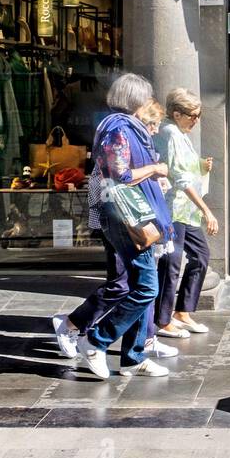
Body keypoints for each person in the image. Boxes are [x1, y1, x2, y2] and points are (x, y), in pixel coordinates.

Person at [49, 72, 174, 379]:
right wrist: (156, 168)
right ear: (134, 99)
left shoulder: (124, 128)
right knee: (146, 288)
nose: (147, 102)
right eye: (145, 96)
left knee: (137, 285)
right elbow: (122, 175)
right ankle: (96, 340)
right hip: (127, 218)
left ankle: (133, 356)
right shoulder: (119, 129)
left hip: (131, 215)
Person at [153, 88, 219, 339]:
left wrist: (201, 166)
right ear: (177, 113)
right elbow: (178, 177)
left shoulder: (178, 132)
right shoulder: (170, 133)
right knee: (171, 263)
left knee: (200, 256)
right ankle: (163, 319)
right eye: (193, 115)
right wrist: (206, 211)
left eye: (198, 114)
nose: (196, 120)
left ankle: (182, 311)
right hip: (174, 209)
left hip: (184, 209)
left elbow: (180, 168)